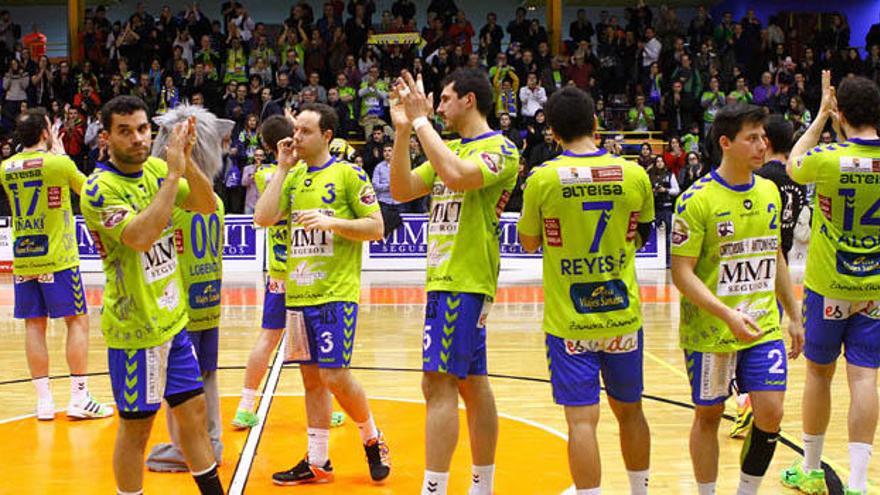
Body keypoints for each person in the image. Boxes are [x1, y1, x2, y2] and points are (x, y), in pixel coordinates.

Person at [81, 95, 223, 494]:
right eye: (125, 131)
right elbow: (141, 237)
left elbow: (206, 204)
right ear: (106, 137)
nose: (138, 138)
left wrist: (186, 158)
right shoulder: (98, 188)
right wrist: (171, 176)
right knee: (136, 429)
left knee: (193, 413)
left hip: (173, 322)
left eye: (143, 129)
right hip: (136, 332)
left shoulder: (160, 168)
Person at [389, 68, 519, 495]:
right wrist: (404, 132)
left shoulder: (501, 147)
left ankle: (435, 487)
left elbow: (460, 176)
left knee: (437, 382)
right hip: (444, 277)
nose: (437, 105)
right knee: (471, 383)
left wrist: (423, 122)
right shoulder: (449, 146)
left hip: (465, 278)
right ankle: (483, 486)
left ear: (469, 100)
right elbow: (403, 188)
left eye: (444, 99)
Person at [518, 86, 654, 494]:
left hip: (569, 321)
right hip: (621, 316)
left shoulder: (542, 179)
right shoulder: (634, 173)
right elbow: (642, 233)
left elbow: (527, 242)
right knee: (631, 412)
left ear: (553, 133)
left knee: (581, 421)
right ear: (597, 124)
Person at [254, 103, 391, 485]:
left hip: (334, 293)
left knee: (334, 375)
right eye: (295, 129)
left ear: (327, 135)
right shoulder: (293, 177)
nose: (295, 136)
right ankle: (318, 461)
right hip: (299, 295)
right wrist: (281, 167)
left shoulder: (348, 174)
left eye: (305, 131)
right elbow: (262, 219)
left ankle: (372, 437)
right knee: (311, 381)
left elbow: (376, 226)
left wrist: (332, 221)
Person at [670, 103, 803, 495]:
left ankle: (747, 491)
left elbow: (774, 254)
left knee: (771, 413)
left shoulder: (769, 192)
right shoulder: (696, 200)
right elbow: (682, 272)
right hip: (711, 330)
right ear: (726, 143)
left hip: (761, 325)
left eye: (763, 137)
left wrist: (794, 313)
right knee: (709, 416)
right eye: (752, 138)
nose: (762, 145)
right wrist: (726, 313)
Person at [780, 72, 880, 495]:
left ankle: (811, 468)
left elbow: (793, 164)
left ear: (840, 111)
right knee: (865, 380)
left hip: (828, 286)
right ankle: (859, 482)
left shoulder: (827, 158)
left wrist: (820, 117)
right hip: (874, 287)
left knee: (819, 377)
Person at [0, 108, 111, 421]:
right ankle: (78, 397)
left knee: (34, 324)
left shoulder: (6, 168)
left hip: (23, 256)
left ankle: (44, 402)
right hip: (58, 256)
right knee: (77, 320)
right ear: (46, 133)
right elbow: (91, 193)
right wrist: (65, 159)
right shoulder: (59, 163)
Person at [144, 105, 236, 473]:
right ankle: (211, 438)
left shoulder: (174, 196)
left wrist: (173, 160)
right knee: (207, 375)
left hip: (178, 305)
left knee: (179, 384)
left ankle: (187, 447)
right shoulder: (214, 201)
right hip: (209, 302)